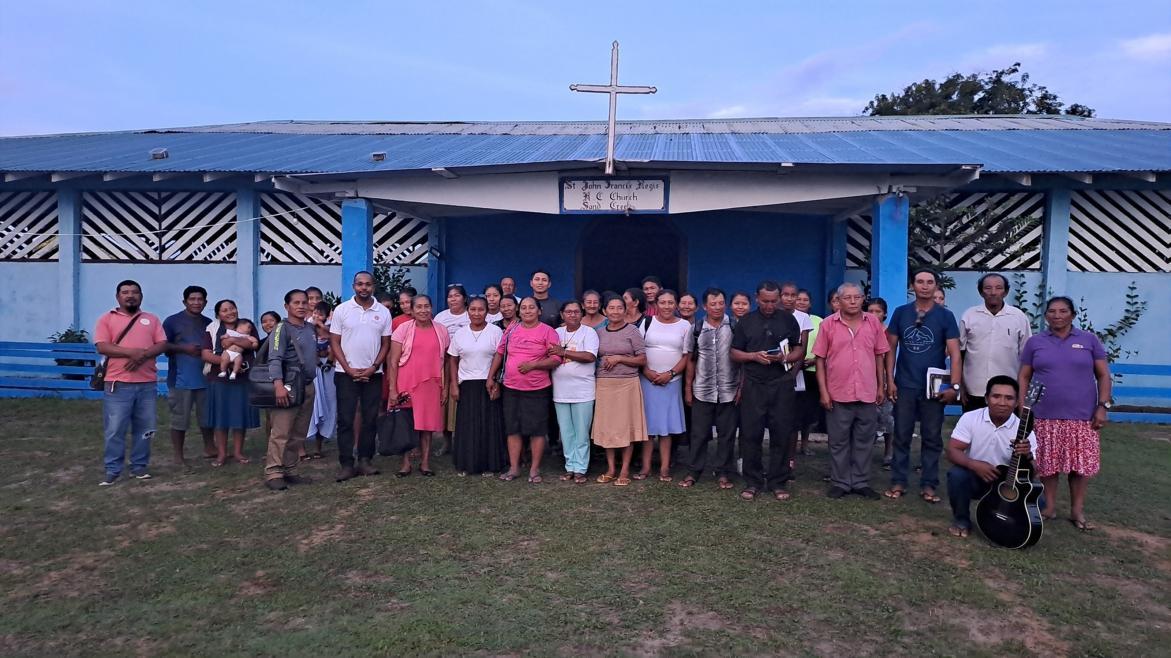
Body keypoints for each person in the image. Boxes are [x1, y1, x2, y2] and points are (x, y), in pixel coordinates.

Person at [1018, 296, 1111, 531]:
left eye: (1063, 311)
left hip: (1083, 416)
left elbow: (1103, 375)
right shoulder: (1035, 342)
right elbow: (1024, 376)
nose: (1057, 315)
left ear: (1073, 314)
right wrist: (1022, 405)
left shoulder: (1089, 340)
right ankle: (1049, 507)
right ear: (1045, 315)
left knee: (1080, 466)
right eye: (1052, 311)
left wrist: (1103, 406)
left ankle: (1077, 510)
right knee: (1047, 464)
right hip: (1044, 414)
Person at [884, 268, 962, 503]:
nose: (925, 286)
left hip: (934, 387)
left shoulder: (945, 316)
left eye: (929, 282)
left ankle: (929, 484)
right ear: (912, 286)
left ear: (936, 286)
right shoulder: (901, 313)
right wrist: (890, 380)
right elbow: (890, 348)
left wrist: (954, 387)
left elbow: (955, 354)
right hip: (905, 384)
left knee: (932, 436)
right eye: (920, 281)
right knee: (901, 434)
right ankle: (898, 480)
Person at [813, 283, 889, 500]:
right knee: (838, 441)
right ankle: (840, 482)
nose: (853, 301)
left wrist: (881, 385)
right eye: (848, 298)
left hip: (867, 391)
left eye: (858, 297)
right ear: (838, 301)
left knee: (865, 440)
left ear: (863, 299)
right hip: (838, 392)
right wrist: (823, 392)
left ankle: (861, 482)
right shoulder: (828, 324)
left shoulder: (873, 322)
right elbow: (820, 360)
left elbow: (879, 355)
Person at [730, 281, 804, 501]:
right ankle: (753, 481)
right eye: (765, 301)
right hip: (754, 384)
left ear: (778, 299)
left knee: (781, 432)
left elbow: (798, 349)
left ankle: (778, 481)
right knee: (751, 433)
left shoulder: (788, 319)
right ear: (757, 298)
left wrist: (784, 357)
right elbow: (734, 353)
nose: (770, 305)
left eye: (773, 301)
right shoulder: (746, 322)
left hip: (781, 383)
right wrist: (753, 356)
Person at [945, 375, 1038, 538]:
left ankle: (1005, 522)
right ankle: (961, 520)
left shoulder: (1024, 429)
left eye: (1009, 398)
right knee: (957, 475)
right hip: (977, 477)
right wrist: (974, 465)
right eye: (996, 396)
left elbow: (1035, 472)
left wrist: (1028, 455)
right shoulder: (970, 418)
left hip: (1007, 484)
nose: (1002, 403)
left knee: (1038, 502)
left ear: (1017, 402)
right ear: (986, 398)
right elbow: (952, 450)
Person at [95, 280, 167, 485]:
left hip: (147, 384)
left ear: (141, 296)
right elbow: (102, 346)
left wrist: (142, 356)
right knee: (115, 429)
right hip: (117, 384)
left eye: (135, 292)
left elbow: (162, 344)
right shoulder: (107, 319)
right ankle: (113, 469)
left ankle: (139, 466)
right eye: (125, 292)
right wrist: (131, 353)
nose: (130, 295)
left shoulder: (151, 319)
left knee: (146, 428)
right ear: (118, 297)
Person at [487, 297, 562, 483]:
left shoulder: (548, 331)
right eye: (524, 308)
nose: (527, 311)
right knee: (513, 429)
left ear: (539, 311)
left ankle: (534, 469)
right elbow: (500, 353)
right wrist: (491, 376)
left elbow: (556, 359)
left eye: (531, 308)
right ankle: (514, 468)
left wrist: (534, 365)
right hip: (511, 387)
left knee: (537, 430)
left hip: (537, 389)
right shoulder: (512, 329)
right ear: (519, 311)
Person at [330, 271, 392, 481]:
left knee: (370, 418)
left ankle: (365, 460)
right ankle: (347, 464)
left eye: (367, 284)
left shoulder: (383, 312)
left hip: (373, 374)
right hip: (345, 374)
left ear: (373, 286)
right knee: (345, 419)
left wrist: (374, 367)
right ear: (353, 286)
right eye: (360, 284)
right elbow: (335, 341)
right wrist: (348, 368)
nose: (364, 288)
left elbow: (386, 344)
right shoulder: (342, 310)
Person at [680, 288, 739, 490]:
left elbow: (741, 359)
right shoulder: (696, 329)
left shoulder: (734, 326)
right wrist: (688, 389)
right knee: (699, 434)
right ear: (705, 306)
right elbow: (690, 360)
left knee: (727, 434)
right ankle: (694, 471)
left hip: (729, 390)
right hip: (702, 391)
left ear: (726, 305)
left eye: (721, 303)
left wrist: (741, 387)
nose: (717, 307)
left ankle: (723, 472)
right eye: (713, 304)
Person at [387, 295, 449, 477]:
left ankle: (425, 463)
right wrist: (392, 389)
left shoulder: (441, 330)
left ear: (432, 308)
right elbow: (393, 361)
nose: (423, 310)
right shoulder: (403, 329)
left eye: (426, 306)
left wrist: (445, 387)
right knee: (405, 423)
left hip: (431, 383)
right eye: (419, 307)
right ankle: (405, 463)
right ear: (412, 310)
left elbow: (446, 361)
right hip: (406, 381)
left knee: (427, 424)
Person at [591, 295, 648, 486]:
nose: (615, 311)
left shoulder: (632, 331)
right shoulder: (599, 332)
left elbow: (642, 359)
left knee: (625, 428)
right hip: (604, 384)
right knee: (607, 427)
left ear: (625, 310)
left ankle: (624, 470)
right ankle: (610, 469)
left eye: (619, 308)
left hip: (627, 384)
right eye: (611, 308)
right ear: (604, 311)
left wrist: (620, 358)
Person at [447, 297, 507, 476]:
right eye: (473, 309)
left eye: (481, 309)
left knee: (489, 426)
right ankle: (466, 464)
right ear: (468, 311)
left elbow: (501, 356)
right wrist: (454, 385)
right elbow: (453, 360)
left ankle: (489, 465)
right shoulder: (460, 333)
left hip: (488, 383)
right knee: (467, 426)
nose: (476, 313)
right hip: (466, 385)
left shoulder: (495, 332)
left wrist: (495, 380)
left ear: (487, 312)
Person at [263, 290, 316, 490]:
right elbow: (274, 358)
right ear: (287, 306)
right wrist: (278, 385)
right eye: (296, 303)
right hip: (288, 386)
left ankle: (290, 469)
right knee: (281, 431)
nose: (301, 306)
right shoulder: (281, 329)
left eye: (304, 302)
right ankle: (274, 472)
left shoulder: (310, 328)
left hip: (307, 385)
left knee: (299, 432)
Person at [638, 289, 691, 481]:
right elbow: (638, 351)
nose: (666, 306)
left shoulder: (684, 325)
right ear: (656, 304)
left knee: (666, 426)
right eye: (662, 302)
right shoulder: (647, 322)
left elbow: (687, 355)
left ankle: (664, 468)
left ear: (676, 304)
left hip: (672, 382)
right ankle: (645, 467)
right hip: (647, 380)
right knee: (648, 426)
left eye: (670, 302)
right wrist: (647, 371)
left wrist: (671, 373)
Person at [200, 299, 261, 467]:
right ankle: (221, 453)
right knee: (221, 417)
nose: (230, 312)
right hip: (219, 378)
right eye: (224, 310)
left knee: (239, 416)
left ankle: (238, 452)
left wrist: (233, 341)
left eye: (232, 308)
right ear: (218, 314)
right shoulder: (212, 329)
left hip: (243, 377)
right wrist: (227, 362)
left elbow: (253, 345)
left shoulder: (246, 325)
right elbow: (205, 354)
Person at [960, 273, 1032, 411]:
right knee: (974, 424)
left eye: (998, 288)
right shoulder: (969, 316)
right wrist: (960, 385)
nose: (993, 292)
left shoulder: (1018, 317)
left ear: (1006, 292)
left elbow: (1026, 356)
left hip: (1008, 390)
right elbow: (960, 353)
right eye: (988, 288)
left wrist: (1022, 389)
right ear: (981, 292)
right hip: (974, 389)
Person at [162, 285, 215, 466]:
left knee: (207, 417)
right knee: (180, 418)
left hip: (205, 378)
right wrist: (184, 348)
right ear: (184, 301)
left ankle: (210, 448)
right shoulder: (172, 322)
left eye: (200, 299)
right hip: (181, 379)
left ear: (205, 302)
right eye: (192, 299)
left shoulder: (209, 323)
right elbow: (163, 346)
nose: (196, 302)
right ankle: (178, 455)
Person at [548, 300, 599, 483]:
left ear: (582, 314)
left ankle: (581, 468)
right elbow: (549, 353)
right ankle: (570, 466)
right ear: (562, 314)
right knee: (566, 432)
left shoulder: (589, 332)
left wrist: (564, 352)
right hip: (560, 391)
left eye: (576, 311)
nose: (573, 315)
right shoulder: (556, 333)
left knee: (581, 432)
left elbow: (590, 356)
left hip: (583, 391)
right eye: (568, 312)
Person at [780, 282, 815, 463]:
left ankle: (790, 460)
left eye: (793, 295)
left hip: (794, 373)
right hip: (773, 371)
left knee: (792, 419)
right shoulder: (773, 314)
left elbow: (802, 349)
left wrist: (792, 375)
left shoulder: (803, 318)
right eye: (785, 295)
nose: (789, 298)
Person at [304, 302, 335, 462]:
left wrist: (322, 326)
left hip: (328, 370)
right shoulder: (307, 327)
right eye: (315, 313)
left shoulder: (330, 327)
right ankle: (302, 447)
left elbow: (335, 341)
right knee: (311, 405)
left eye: (320, 314)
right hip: (313, 369)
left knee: (327, 403)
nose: (316, 316)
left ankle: (319, 445)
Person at [866, 298, 895, 469]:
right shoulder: (862, 330)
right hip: (865, 379)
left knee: (887, 417)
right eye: (870, 311)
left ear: (884, 314)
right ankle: (864, 452)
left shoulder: (888, 332)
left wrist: (886, 382)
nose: (874, 314)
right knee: (868, 418)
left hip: (883, 379)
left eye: (878, 311)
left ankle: (888, 451)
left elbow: (889, 358)